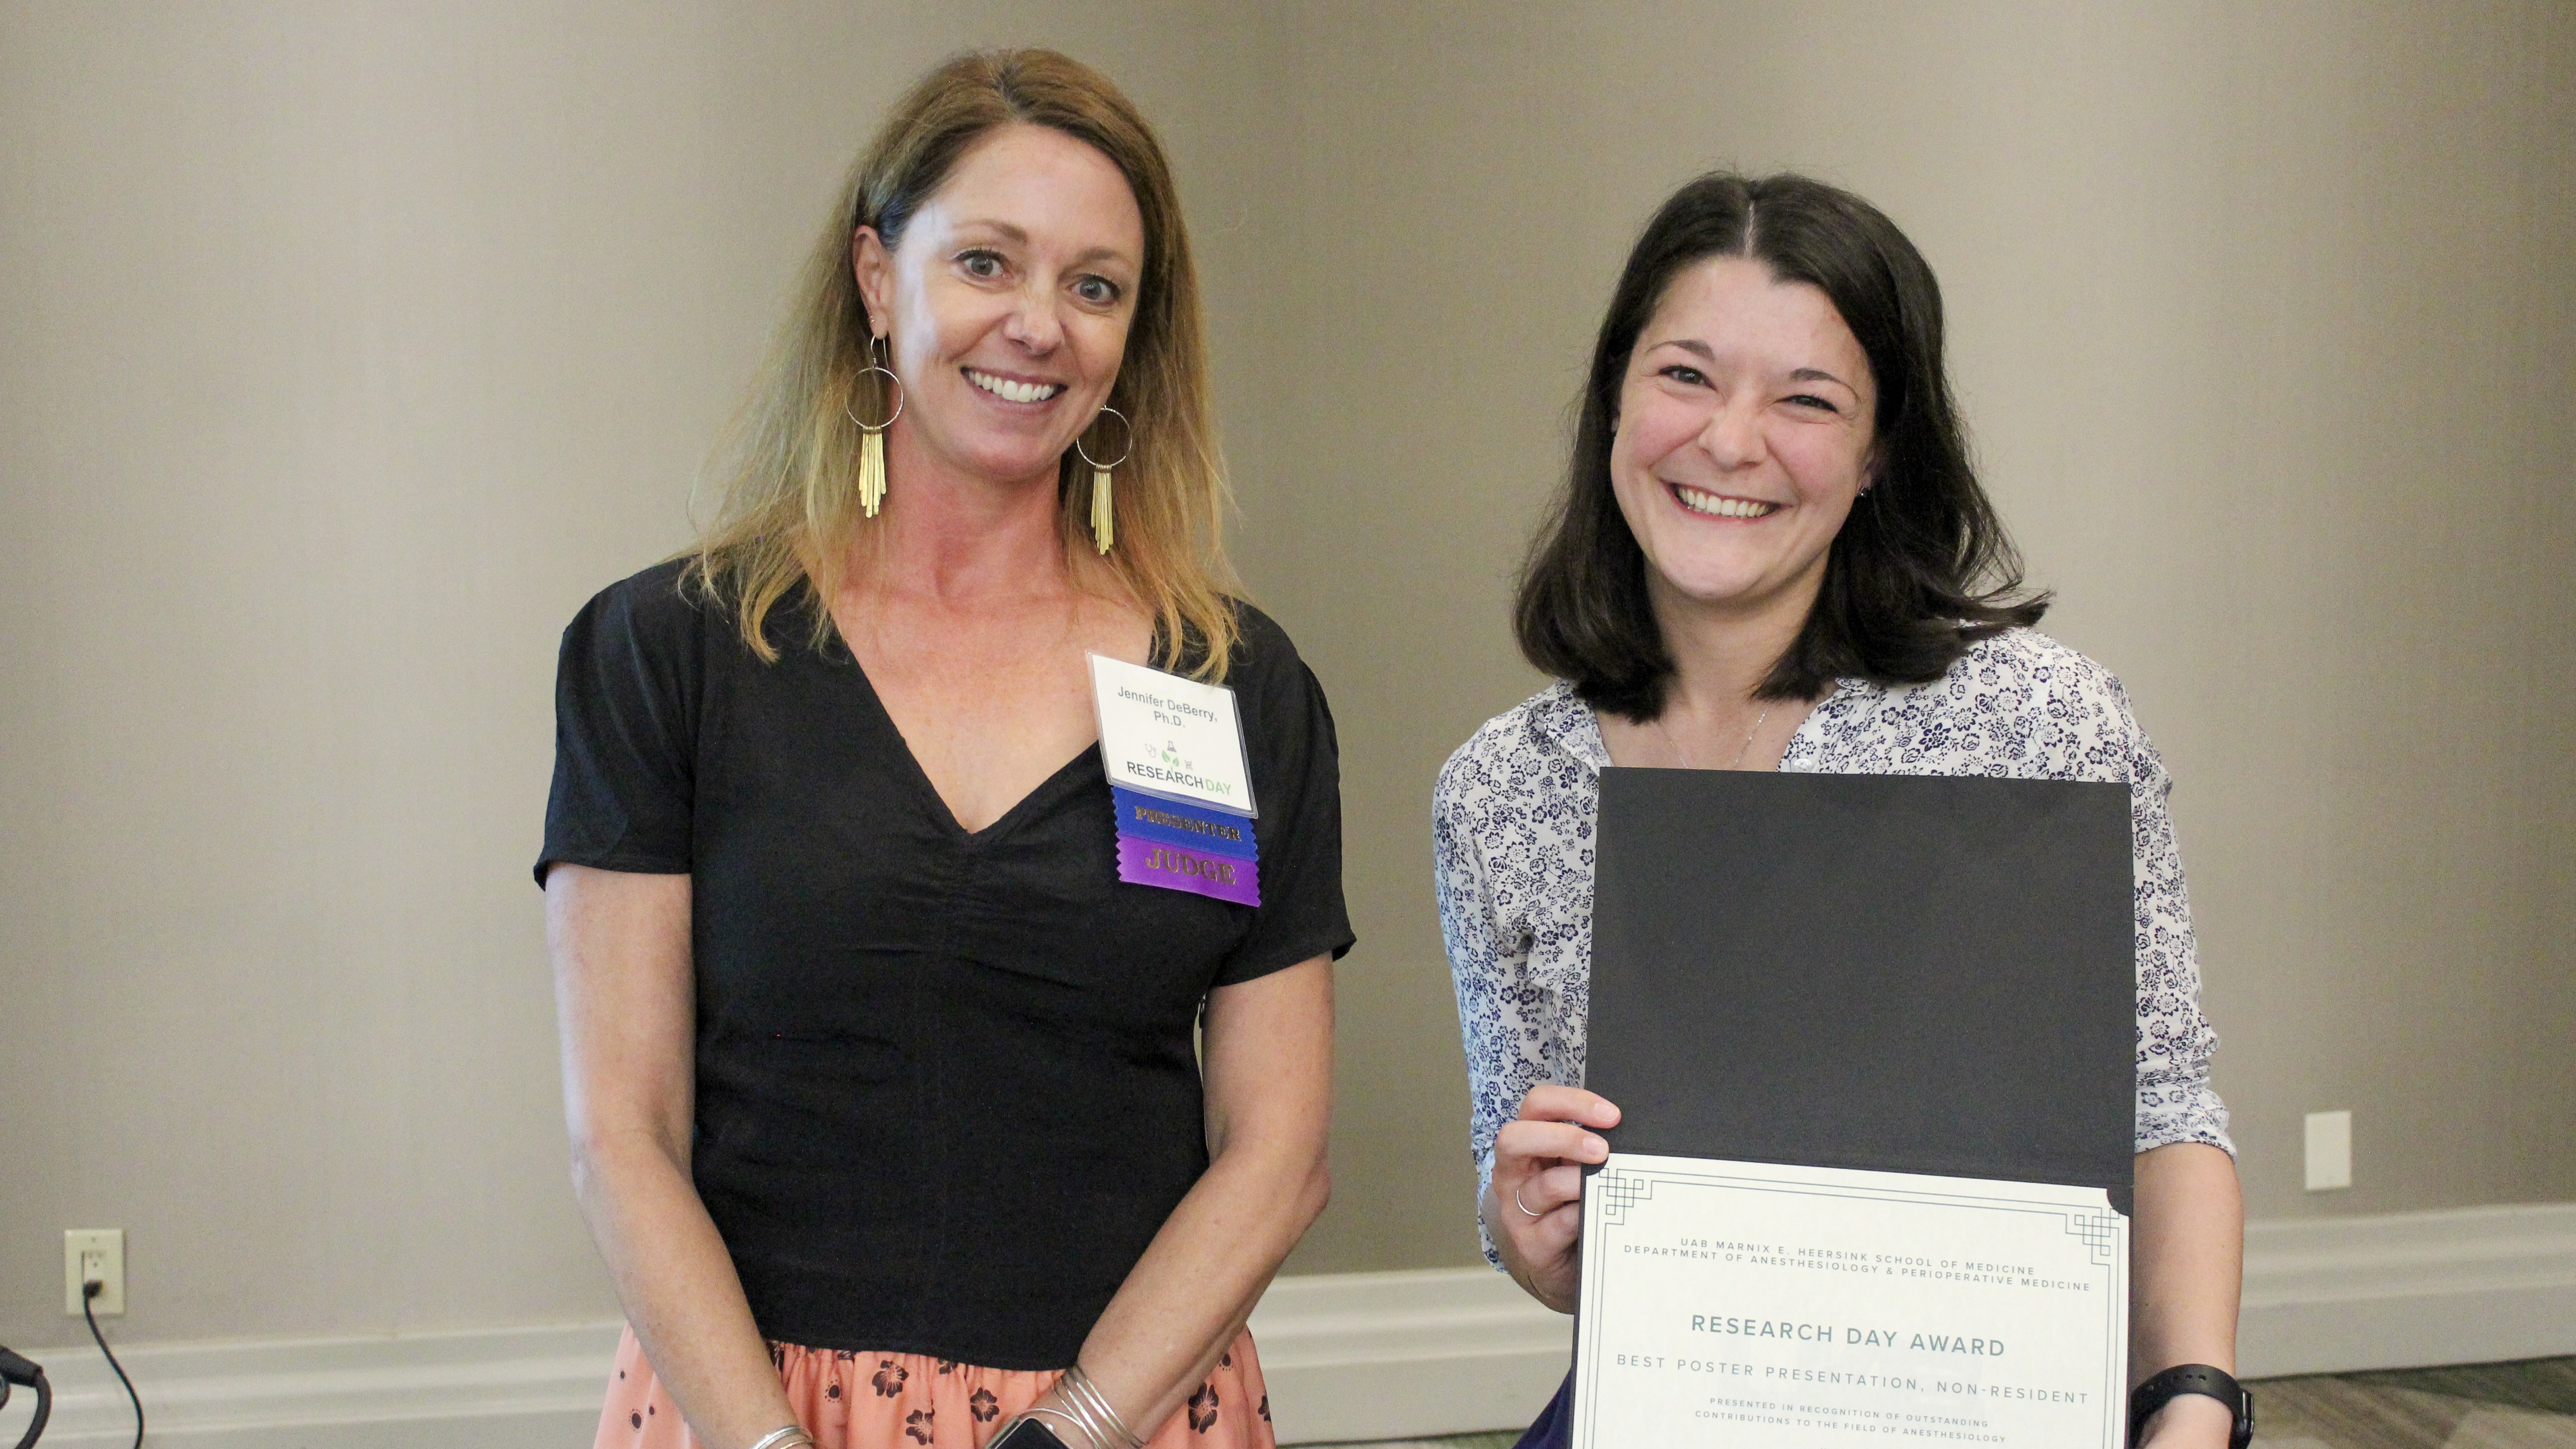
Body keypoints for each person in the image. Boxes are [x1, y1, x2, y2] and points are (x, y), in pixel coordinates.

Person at [541, 51, 1351, 1449]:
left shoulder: (1231, 687)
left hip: (1124, 1418)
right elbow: (625, 1133)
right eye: (987, 262)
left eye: (1096, 287)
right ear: (876, 277)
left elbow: (1277, 1154)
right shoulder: (667, 654)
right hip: (748, 1414)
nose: (1039, 325)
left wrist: (1071, 1430)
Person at [1435, 173, 2245, 1449]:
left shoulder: (2047, 727)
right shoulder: (1499, 790)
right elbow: (1534, 1203)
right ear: (1614, 400)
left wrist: (2192, 1402)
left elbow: (2162, 1112)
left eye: (1806, 399)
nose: (1731, 441)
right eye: (1686, 376)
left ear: (1878, 455)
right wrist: (1526, 1227)